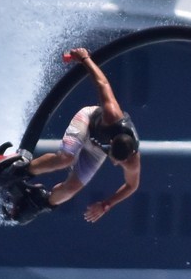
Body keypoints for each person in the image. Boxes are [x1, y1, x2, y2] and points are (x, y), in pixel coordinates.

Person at [27, 47, 141, 222]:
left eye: (120, 162)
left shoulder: (132, 161)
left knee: (72, 188)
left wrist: (106, 205)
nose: (115, 163)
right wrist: (84, 58)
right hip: (88, 123)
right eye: (114, 158)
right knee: (65, 159)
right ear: (111, 143)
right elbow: (103, 84)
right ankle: (23, 170)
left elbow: (131, 186)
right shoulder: (112, 115)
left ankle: (39, 204)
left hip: (96, 148)